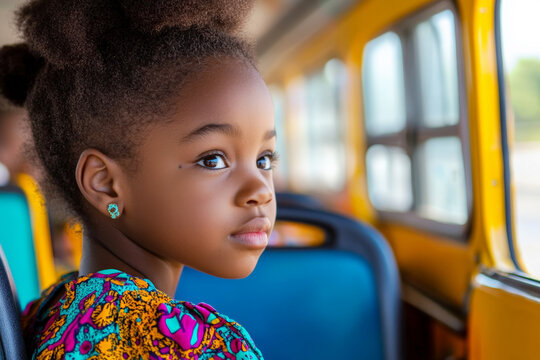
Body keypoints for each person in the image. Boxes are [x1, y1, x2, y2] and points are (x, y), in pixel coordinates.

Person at [0, 0, 276, 358]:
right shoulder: (192, 347)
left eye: (264, 159)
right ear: (106, 184)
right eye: (213, 160)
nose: (259, 191)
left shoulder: (50, 311)